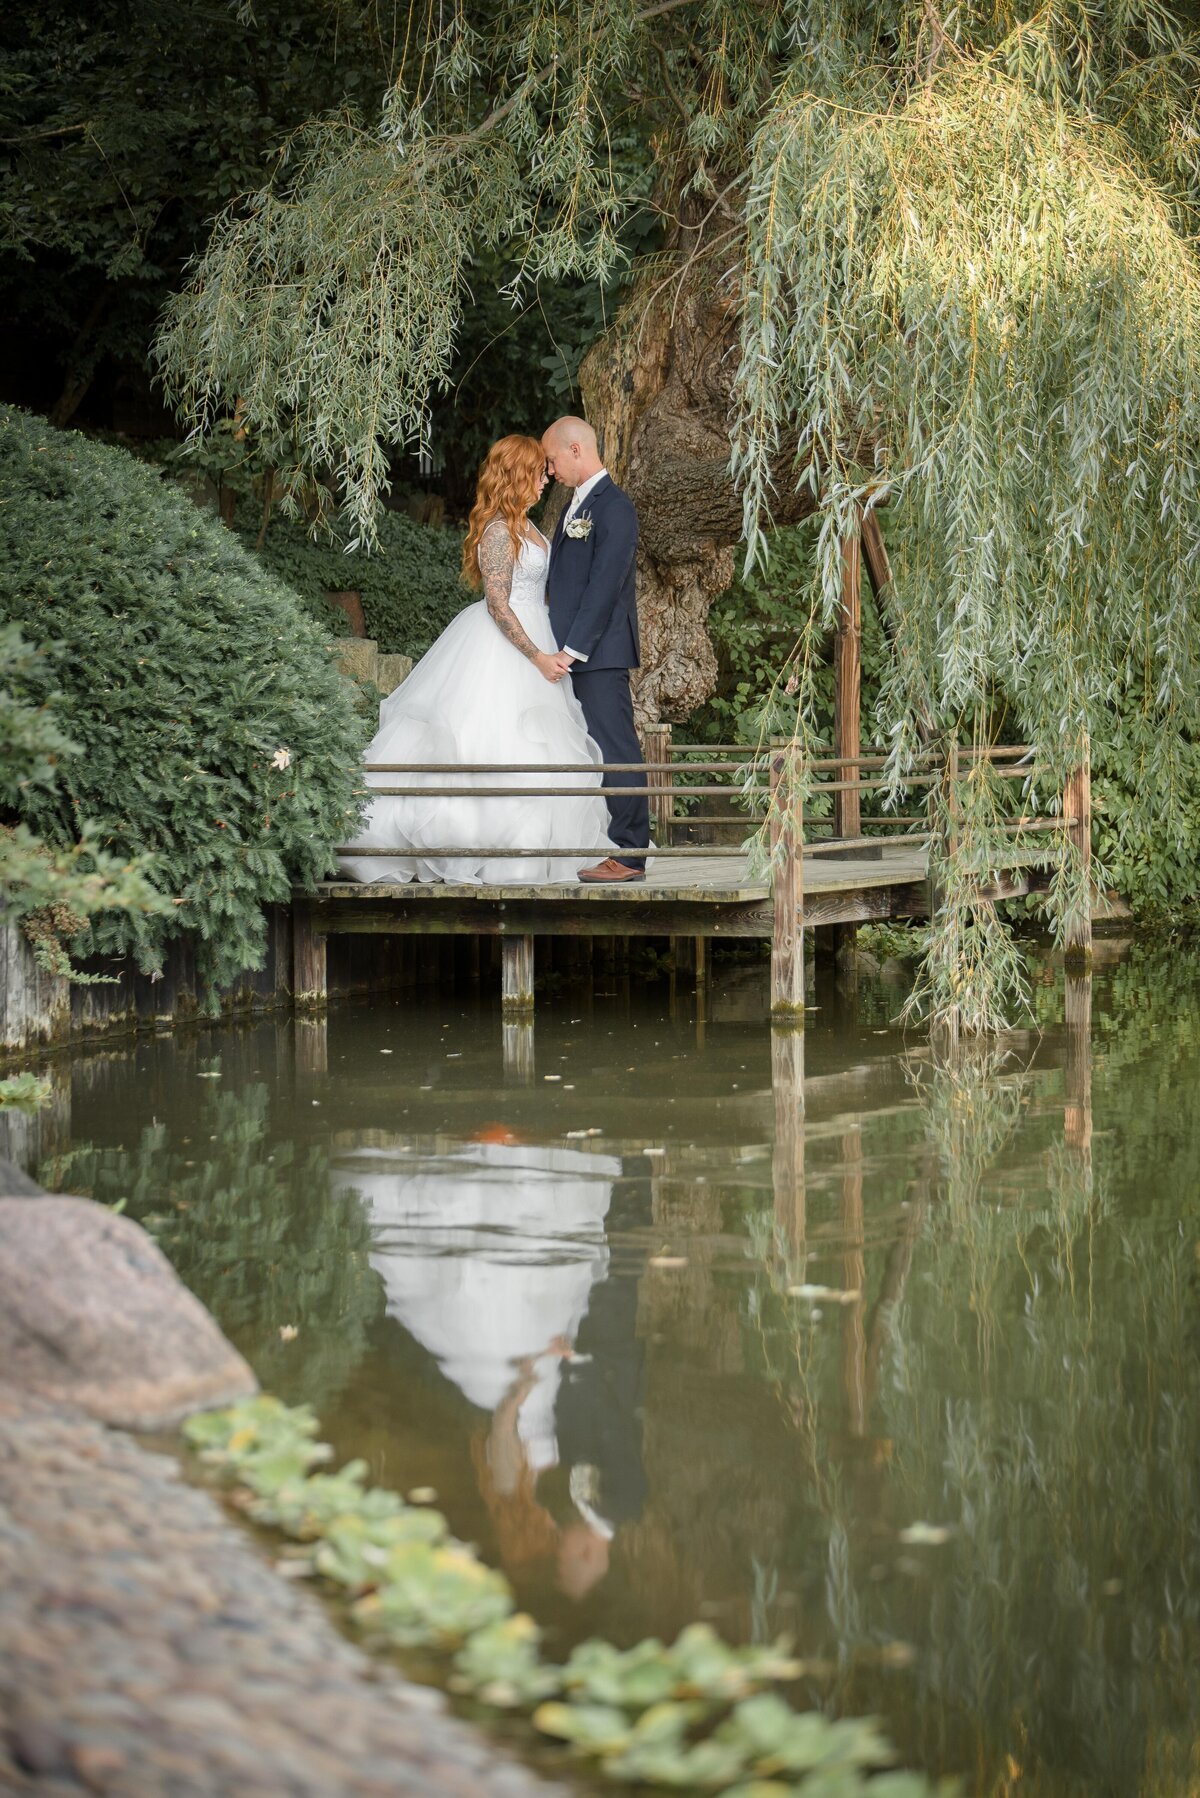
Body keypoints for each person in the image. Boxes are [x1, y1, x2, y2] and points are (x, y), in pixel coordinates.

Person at [337, 434, 615, 885]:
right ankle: (482, 851)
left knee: (542, 745)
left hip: (538, 631)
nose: (546, 478)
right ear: (516, 475)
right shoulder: (499, 531)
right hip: (504, 647)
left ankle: (539, 852)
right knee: (483, 739)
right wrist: (538, 658)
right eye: (537, 471)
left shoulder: (530, 527)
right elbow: (498, 604)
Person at [541, 416, 651, 883]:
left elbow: (605, 586)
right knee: (590, 749)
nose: (548, 471)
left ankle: (630, 855)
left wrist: (572, 649)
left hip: (599, 654)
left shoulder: (615, 509)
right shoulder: (576, 504)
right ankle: (608, 844)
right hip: (574, 652)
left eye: (551, 459)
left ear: (576, 450)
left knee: (616, 748)